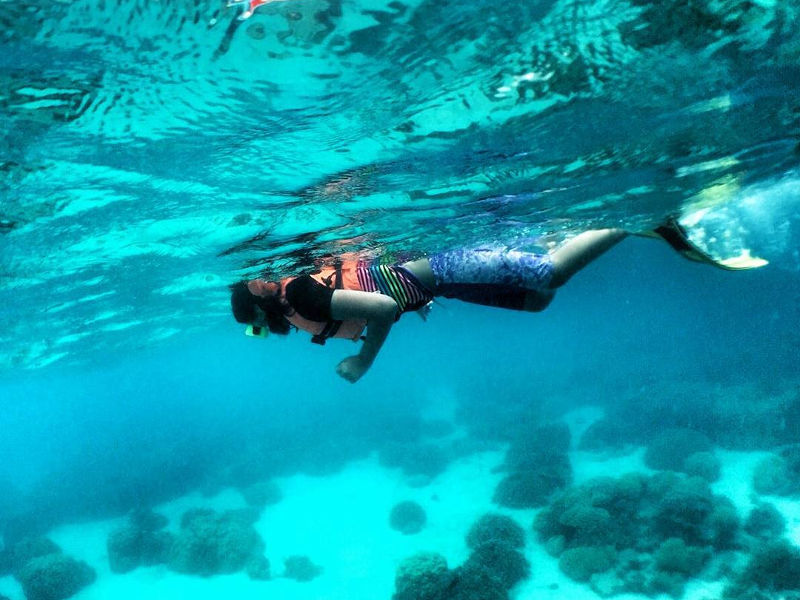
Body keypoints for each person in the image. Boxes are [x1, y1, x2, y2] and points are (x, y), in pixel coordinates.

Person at [230, 220, 766, 383]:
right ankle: (586, 232)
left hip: (436, 268)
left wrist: (364, 361)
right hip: (438, 283)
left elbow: (384, 309)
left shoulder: (301, 295)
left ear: (259, 312)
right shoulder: (299, 302)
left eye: (254, 329)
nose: (262, 334)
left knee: (550, 275)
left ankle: (634, 219)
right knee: (536, 303)